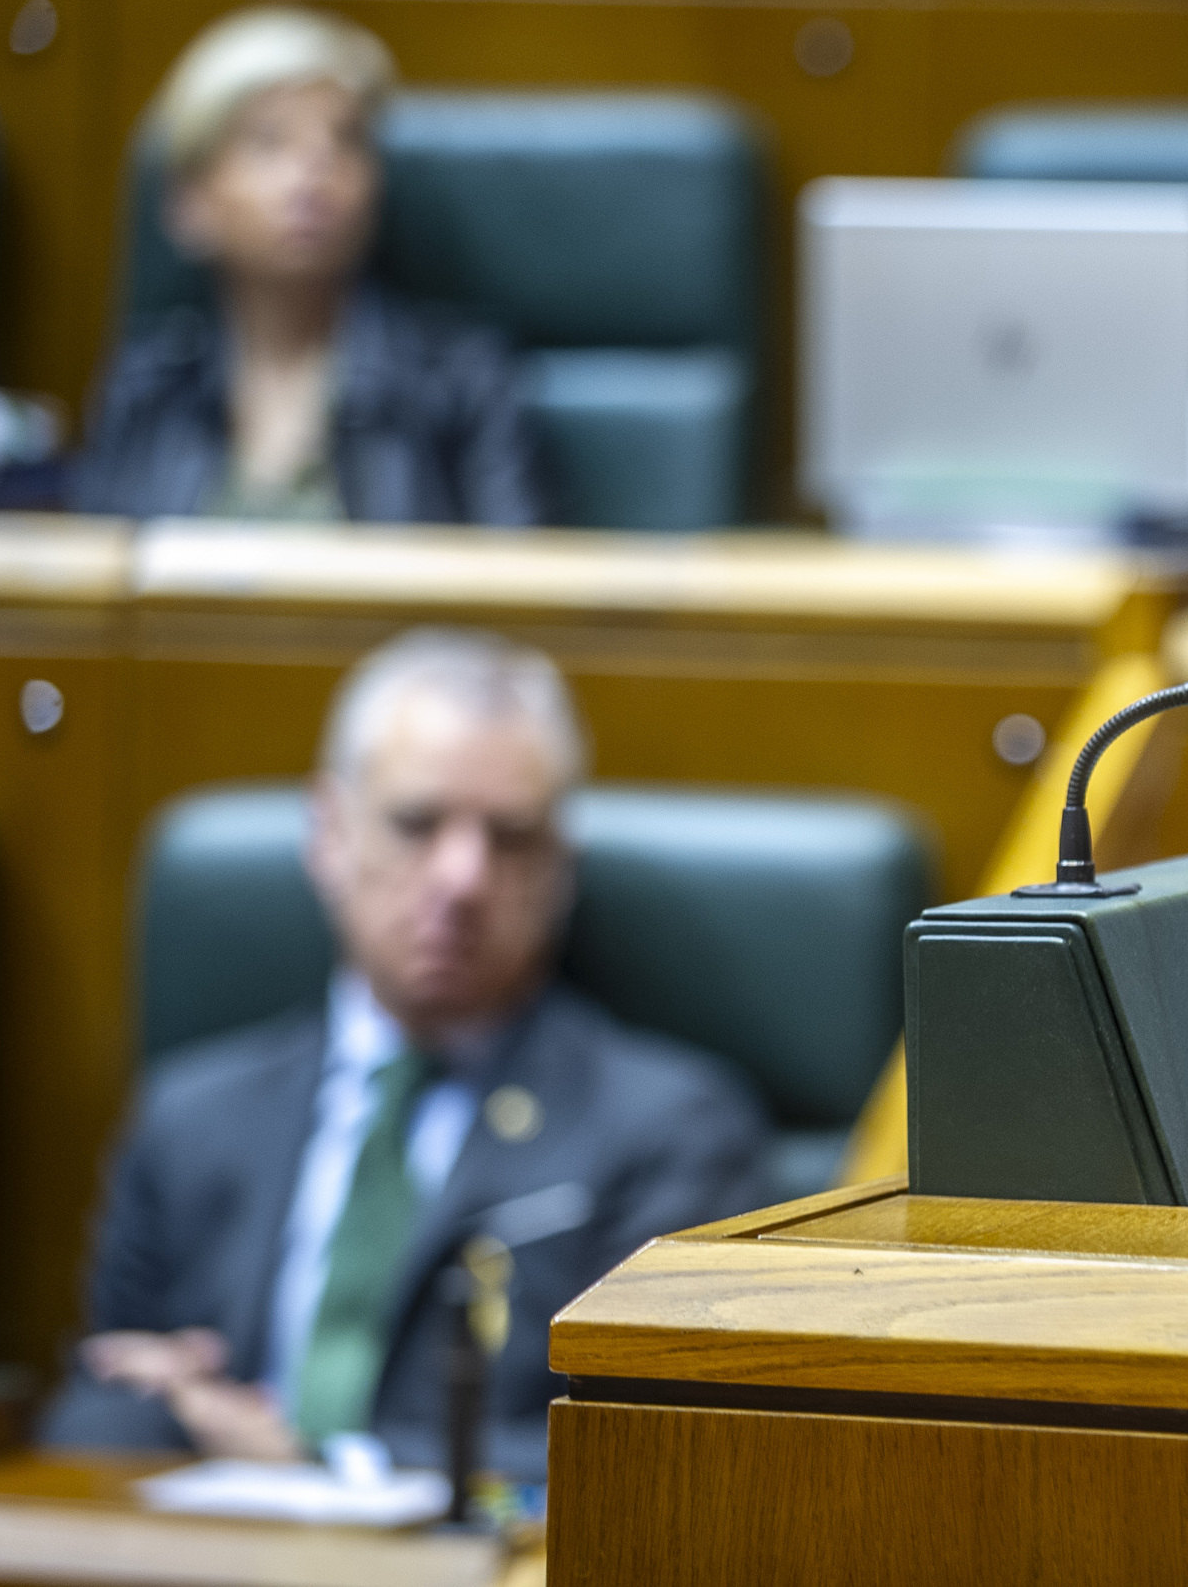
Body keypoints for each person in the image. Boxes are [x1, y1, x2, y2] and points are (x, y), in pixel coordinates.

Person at [42, 629, 768, 1481]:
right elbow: (94, 1404)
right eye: (417, 824)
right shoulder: (189, 1118)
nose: (462, 877)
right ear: (330, 833)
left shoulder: (670, 1134)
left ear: (560, 866)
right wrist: (162, 1406)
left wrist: (326, 1460)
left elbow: (655, 1459)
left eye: (509, 837)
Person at [70, 7, 543, 524]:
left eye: (346, 140)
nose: (316, 170)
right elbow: (96, 589)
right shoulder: (149, 389)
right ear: (191, 203)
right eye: (270, 142)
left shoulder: (461, 384)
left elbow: (523, 591)